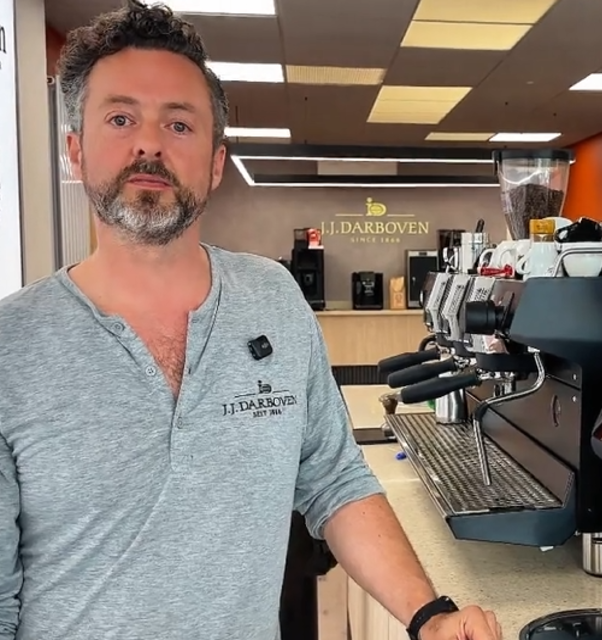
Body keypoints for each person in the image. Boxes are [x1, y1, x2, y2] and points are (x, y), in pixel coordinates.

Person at [0, 2, 502, 639]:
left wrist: (429, 615)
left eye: (179, 124)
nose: (149, 143)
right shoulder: (11, 347)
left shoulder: (273, 299)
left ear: (214, 162)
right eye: (120, 118)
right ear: (75, 151)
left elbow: (333, 478)